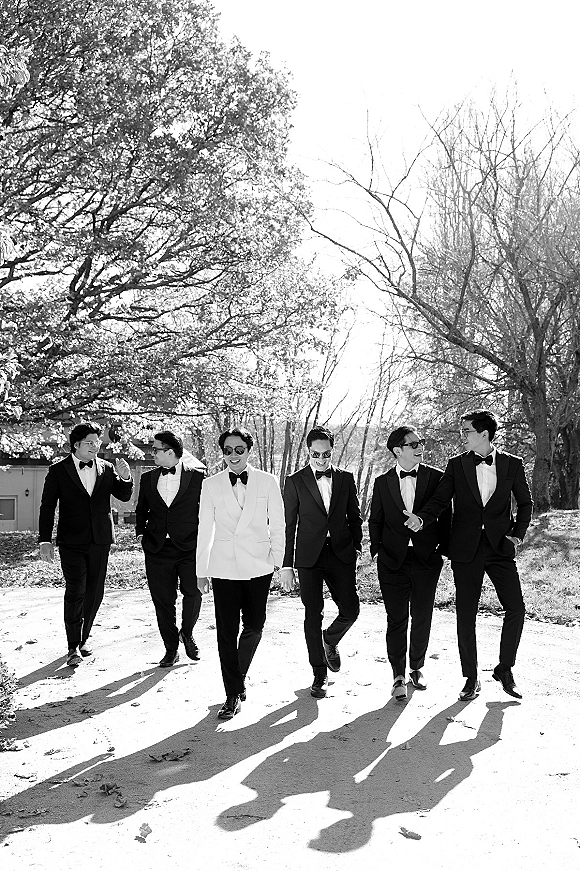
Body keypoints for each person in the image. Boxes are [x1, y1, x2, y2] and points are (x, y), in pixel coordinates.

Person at [404, 410, 533, 701]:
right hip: (465, 549)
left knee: (516, 608)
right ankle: (471, 678)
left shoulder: (513, 464)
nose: (463, 435)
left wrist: (517, 534)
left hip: (500, 548)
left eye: (467, 431)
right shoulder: (456, 465)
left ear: (484, 434)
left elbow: (525, 503)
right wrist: (422, 519)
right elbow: (440, 500)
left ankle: (505, 668)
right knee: (466, 614)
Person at [196, 427, 285, 720]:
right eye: (228, 450)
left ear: (249, 451)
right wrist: (201, 570)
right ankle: (232, 694)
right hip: (223, 566)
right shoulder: (210, 485)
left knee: (255, 626)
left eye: (239, 450)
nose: (233, 455)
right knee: (225, 632)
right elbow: (205, 529)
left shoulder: (268, 481)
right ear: (222, 452)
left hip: (259, 565)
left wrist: (280, 561)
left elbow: (278, 525)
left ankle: (239, 675)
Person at [39, 422, 133, 667]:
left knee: (95, 591)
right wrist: (45, 540)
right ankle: (72, 646)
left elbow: (123, 495)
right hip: (71, 540)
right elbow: (47, 507)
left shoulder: (107, 467)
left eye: (97, 442)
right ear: (76, 445)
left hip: (100, 539)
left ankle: (83, 638)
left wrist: (125, 477)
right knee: (76, 588)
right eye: (90, 442)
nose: (95, 446)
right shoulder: (58, 470)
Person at [368, 426, 451, 700]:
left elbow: (446, 517)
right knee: (397, 619)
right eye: (413, 443)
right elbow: (376, 520)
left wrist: (443, 549)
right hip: (392, 561)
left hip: (427, 559)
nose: (420, 447)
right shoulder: (382, 483)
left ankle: (417, 667)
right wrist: (376, 550)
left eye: (421, 442)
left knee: (422, 616)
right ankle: (398, 675)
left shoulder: (437, 478)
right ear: (397, 450)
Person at [280, 426, 362, 700]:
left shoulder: (346, 478)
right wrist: (287, 566)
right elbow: (288, 526)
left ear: (332, 451)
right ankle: (319, 674)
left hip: (340, 554)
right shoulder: (295, 481)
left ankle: (330, 639)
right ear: (308, 451)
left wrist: (357, 548)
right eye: (316, 454)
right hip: (308, 558)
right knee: (312, 615)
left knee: (351, 610)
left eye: (326, 454)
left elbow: (355, 517)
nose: (321, 459)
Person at [135, 431, 204, 667]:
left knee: (193, 593)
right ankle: (171, 648)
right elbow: (141, 509)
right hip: (156, 549)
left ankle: (187, 632)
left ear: (171, 452)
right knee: (162, 600)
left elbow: (206, 510)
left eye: (156, 449)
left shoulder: (198, 478)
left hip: (189, 546)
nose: (151, 453)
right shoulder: (147, 478)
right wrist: (141, 534)